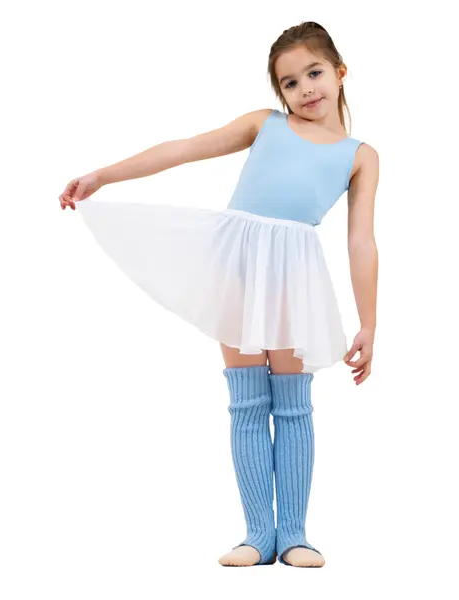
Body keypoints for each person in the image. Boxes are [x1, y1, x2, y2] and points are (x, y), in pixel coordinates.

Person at [58, 21, 379, 568]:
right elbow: (184, 149)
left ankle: (294, 535)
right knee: (248, 400)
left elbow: (361, 241)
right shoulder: (264, 125)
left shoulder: (360, 155)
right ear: (279, 92)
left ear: (340, 72)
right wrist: (103, 176)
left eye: (314, 73)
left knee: (293, 405)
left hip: (293, 275)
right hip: (239, 267)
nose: (305, 89)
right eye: (290, 82)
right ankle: (257, 534)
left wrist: (368, 323)